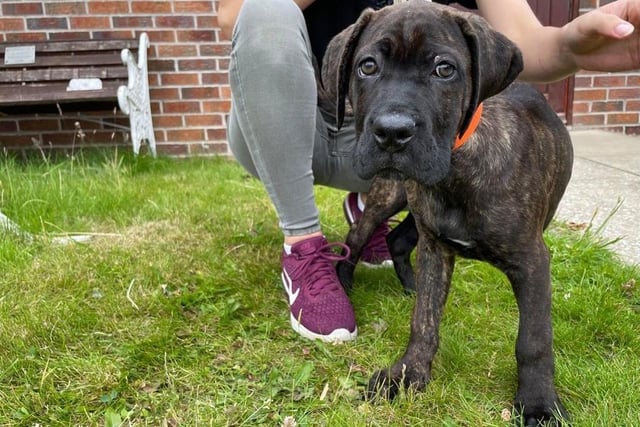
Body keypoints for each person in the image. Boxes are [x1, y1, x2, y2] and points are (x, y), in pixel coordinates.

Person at [217, 0, 640, 343]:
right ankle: (303, 241)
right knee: (265, 10)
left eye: (443, 69)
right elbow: (234, 16)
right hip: (291, 131)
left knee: (431, 167)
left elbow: (523, 42)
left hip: (393, 146)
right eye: (369, 65)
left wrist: (571, 46)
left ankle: (373, 201)